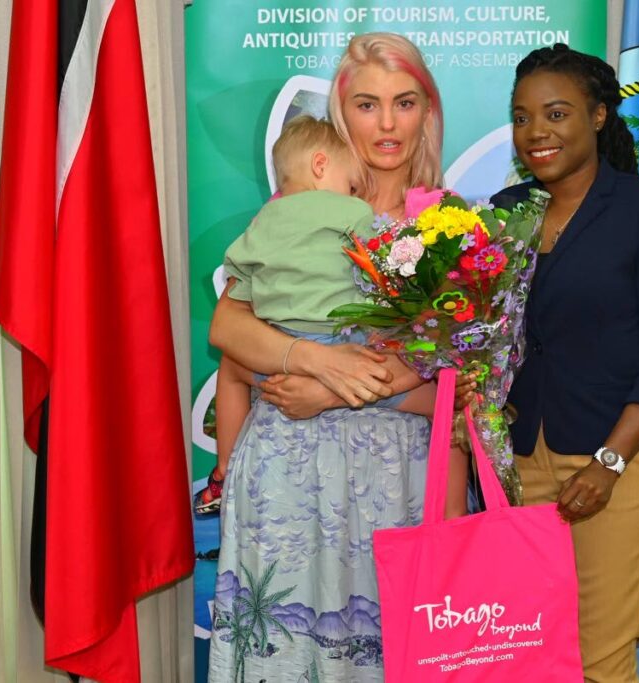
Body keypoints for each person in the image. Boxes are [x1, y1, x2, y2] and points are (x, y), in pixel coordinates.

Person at [207, 33, 459, 682]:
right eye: (367, 105)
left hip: (392, 482)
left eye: (404, 103)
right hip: (283, 475)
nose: (386, 124)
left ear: (426, 111)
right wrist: (316, 360)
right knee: (285, 650)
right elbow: (228, 326)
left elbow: (456, 363)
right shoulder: (295, 211)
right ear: (341, 110)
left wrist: (337, 387)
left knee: (383, 653)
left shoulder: (450, 223)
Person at [490, 44, 639, 682]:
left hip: (617, 463)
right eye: (522, 117)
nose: (536, 133)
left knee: (599, 661)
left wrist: (608, 463)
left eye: (556, 114)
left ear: (600, 115)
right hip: (524, 462)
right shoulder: (504, 214)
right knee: (530, 654)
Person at [194, 114, 451, 517]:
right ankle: (451, 510)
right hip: (349, 349)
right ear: (320, 166)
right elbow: (385, 273)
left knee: (230, 370)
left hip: (280, 357)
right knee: (442, 402)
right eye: (351, 183)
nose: (353, 191)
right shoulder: (354, 214)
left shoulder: (262, 223)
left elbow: (239, 286)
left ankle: (224, 471)